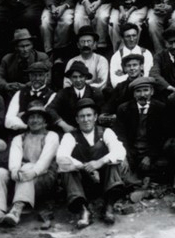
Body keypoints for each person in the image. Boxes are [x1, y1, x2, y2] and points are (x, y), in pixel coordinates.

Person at [0, 102, 59, 230]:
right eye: (31, 118)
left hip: (43, 178)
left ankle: (17, 210)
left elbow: (45, 161)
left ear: (45, 121)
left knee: (27, 168)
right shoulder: (19, 138)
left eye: (39, 117)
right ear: (27, 121)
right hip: (22, 177)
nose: (35, 121)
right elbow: (15, 158)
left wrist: (33, 171)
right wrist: (14, 170)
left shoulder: (52, 136)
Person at [55, 97, 129, 229]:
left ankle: (109, 207)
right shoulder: (70, 136)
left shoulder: (106, 132)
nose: (86, 119)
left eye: (89, 115)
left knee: (114, 161)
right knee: (66, 169)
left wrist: (100, 162)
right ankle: (83, 211)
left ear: (95, 117)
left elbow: (119, 150)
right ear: (77, 119)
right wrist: (85, 167)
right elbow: (61, 157)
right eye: (81, 116)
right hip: (83, 184)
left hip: (104, 181)